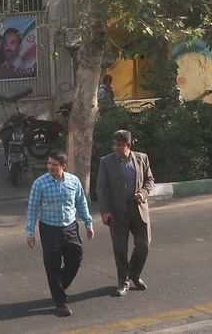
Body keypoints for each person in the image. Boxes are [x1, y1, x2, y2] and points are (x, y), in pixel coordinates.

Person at [26, 150, 94, 317]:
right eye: (48, 163)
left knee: (76, 258)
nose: (50, 167)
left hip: (70, 227)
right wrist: (30, 232)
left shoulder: (73, 181)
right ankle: (60, 302)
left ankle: (58, 286)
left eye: (54, 164)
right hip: (49, 229)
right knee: (52, 265)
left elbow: (81, 202)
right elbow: (32, 209)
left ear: (63, 166)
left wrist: (88, 223)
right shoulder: (39, 184)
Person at [97, 130, 154, 296]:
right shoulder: (106, 161)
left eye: (119, 145)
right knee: (120, 249)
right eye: (114, 144)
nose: (116, 148)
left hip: (139, 210)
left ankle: (134, 273)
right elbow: (101, 187)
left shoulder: (142, 158)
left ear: (128, 145)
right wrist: (105, 211)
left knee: (144, 245)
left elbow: (150, 180)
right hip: (117, 213)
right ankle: (123, 282)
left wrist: (142, 193)